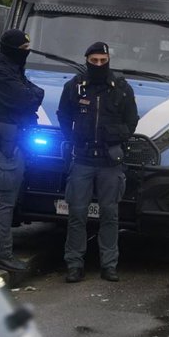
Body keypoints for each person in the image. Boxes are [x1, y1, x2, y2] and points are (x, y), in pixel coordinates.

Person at [57, 42, 139, 283]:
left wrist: (116, 135)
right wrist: (71, 137)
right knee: (77, 215)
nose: (99, 65)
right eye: (94, 61)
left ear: (109, 60)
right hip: (82, 158)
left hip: (109, 161)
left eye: (103, 61)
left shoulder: (121, 89)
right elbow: (63, 115)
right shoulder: (75, 87)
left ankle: (109, 265)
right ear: (87, 61)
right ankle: (74, 264)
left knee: (110, 215)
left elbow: (131, 120)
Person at [0, 29, 44, 272]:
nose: (26, 55)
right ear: (14, 51)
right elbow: (29, 97)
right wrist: (32, 94)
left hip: (14, 142)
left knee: (8, 200)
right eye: (24, 51)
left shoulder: (10, 68)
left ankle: (2, 253)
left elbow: (32, 93)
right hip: (7, 145)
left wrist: (32, 94)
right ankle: (1, 254)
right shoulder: (1, 73)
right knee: (4, 202)